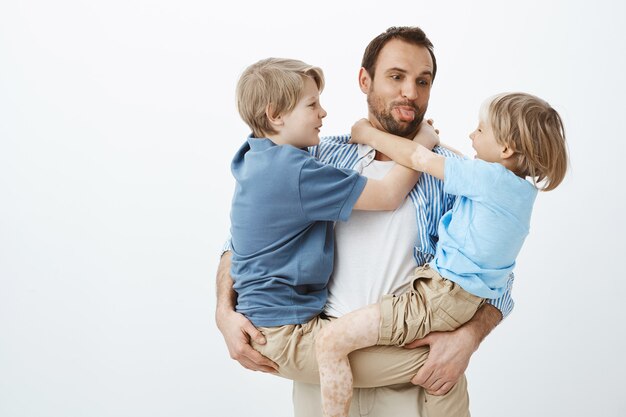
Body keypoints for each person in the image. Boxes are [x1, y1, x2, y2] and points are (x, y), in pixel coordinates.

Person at [216, 26, 515, 417]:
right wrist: (224, 311)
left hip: (413, 379)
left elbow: (497, 273)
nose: (410, 91)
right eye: (396, 76)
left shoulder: (455, 174)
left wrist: (468, 338)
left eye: (422, 81)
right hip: (320, 369)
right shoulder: (315, 159)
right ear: (364, 80)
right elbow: (240, 242)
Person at [314, 92, 569, 417]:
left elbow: (419, 159)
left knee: (330, 342)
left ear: (506, 149)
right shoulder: (519, 193)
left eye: (481, 130)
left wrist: (368, 133)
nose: (471, 135)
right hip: (455, 299)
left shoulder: (487, 179)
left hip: (439, 297)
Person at [228, 55, 441, 382]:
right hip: (290, 331)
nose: (323, 112)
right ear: (275, 115)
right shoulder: (298, 173)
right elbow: (387, 195)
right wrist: (422, 146)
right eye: (312, 104)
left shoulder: (254, 155)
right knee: (431, 366)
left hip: (272, 322)